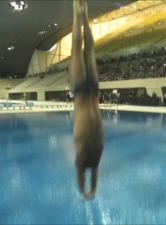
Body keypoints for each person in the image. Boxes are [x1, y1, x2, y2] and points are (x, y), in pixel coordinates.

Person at [70, 0, 104, 200]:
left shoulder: (97, 154)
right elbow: (83, 180)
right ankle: (78, 13)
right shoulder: (83, 157)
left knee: (88, 49)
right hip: (83, 94)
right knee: (77, 48)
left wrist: (90, 190)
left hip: (92, 93)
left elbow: (92, 180)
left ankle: (83, 14)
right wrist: (86, 192)